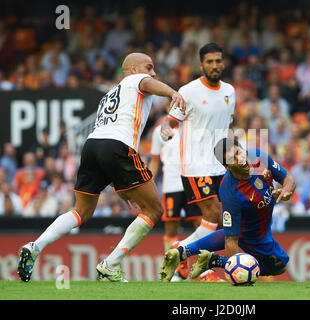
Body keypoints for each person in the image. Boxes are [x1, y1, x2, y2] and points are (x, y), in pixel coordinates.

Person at [17, 52, 186, 282]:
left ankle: (35, 246)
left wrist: (120, 183)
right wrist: (172, 92)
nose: (153, 73)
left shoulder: (109, 95)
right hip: (117, 146)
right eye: (149, 67)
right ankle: (110, 265)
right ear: (134, 69)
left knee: (81, 211)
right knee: (154, 210)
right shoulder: (134, 80)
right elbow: (147, 83)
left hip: (92, 147)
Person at [160, 138, 296, 281]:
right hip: (253, 234)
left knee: (271, 263)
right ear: (228, 167)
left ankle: (182, 251)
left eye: (239, 152)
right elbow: (231, 239)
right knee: (280, 267)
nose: (240, 159)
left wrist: (286, 190)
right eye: (232, 158)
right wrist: (237, 275)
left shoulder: (259, 157)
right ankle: (213, 260)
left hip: (263, 224)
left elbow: (287, 178)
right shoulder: (230, 191)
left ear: (244, 150)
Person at [159, 43, 236, 282]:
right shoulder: (188, 91)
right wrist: (165, 130)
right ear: (201, 65)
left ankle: (179, 252)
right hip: (195, 165)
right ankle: (202, 266)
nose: (215, 66)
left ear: (223, 63)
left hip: (220, 165)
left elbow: (226, 126)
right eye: (210, 62)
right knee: (213, 213)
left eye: (218, 61)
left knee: (222, 218)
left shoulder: (230, 92)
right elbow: (170, 121)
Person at [148, 116, 202, 281]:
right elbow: (155, 160)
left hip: (193, 182)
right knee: (171, 228)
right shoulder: (159, 131)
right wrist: (148, 183)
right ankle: (176, 267)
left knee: (201, 225)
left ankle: (203, 269)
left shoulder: (194, 128)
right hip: (171, 185)